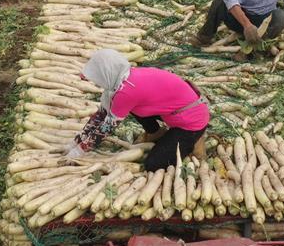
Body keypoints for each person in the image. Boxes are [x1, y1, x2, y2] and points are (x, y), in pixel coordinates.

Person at [66, 49, 208, 172]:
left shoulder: (126, 92)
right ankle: (157, 133)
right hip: (175, 109)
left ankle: (195, 140)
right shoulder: (123, 79)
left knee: (153, 165)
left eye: (97, 78)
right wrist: (77, 141)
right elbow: (101, 114)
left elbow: (106, 128)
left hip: (191, 121)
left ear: (106, 74)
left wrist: (80, 150)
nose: (96, 82)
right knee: (130, 107)